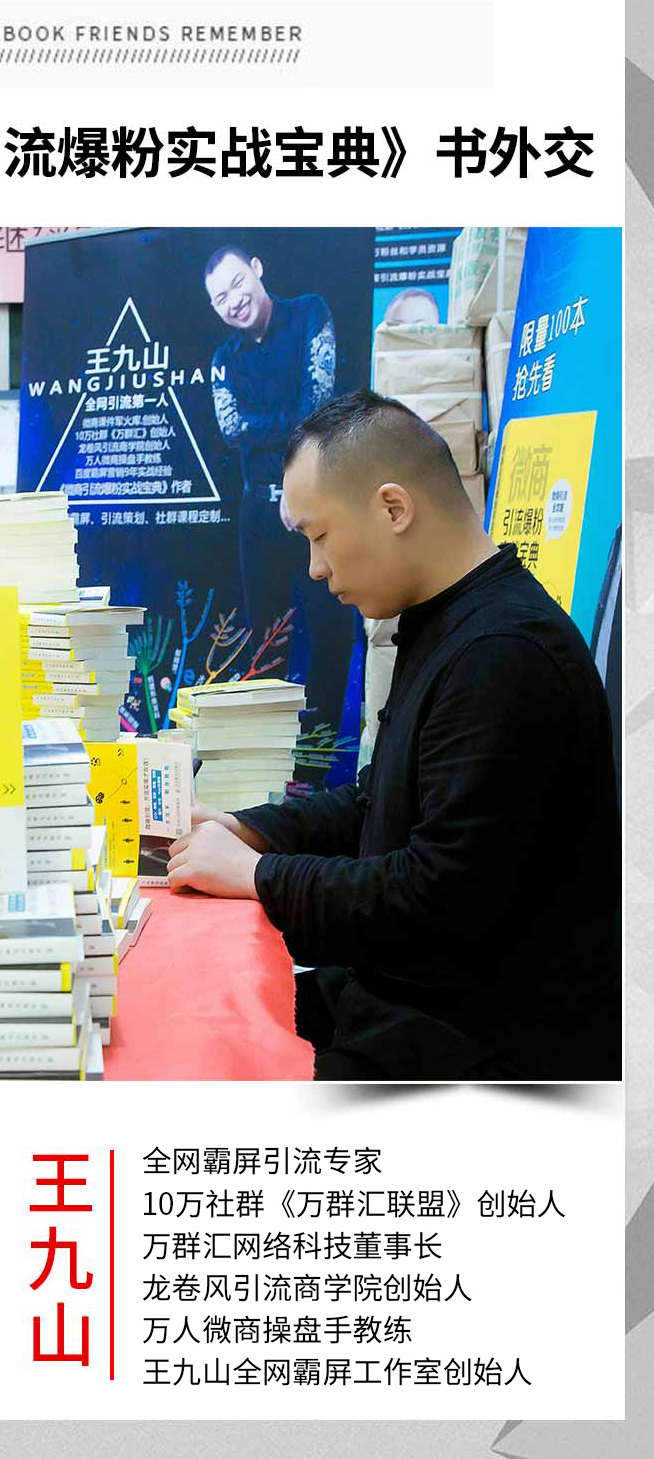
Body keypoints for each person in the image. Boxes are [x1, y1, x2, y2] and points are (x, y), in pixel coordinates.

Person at [168, 390, 620, 1081]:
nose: (315, 568)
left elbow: (435, 899)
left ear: (392, 509)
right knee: (197, 1018)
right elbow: (376, 800)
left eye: (320, 536)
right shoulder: (446, 622)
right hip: (409, 1003)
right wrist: (247, 829)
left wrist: (258, 876)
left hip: (479, 1041)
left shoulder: (504, 655)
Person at [205, 245, 357, 772]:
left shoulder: (310, 313)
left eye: (236, 283)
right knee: (266, 642)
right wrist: (290, 421)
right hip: (258, 516)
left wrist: (292, 479)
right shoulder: (224, 360)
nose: (233, 301)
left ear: (257, 269)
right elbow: (231, 430)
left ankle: (314, 772)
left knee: (331, 637)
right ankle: (267, 773)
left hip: (318, 509)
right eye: (219, 298)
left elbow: (320, 401)